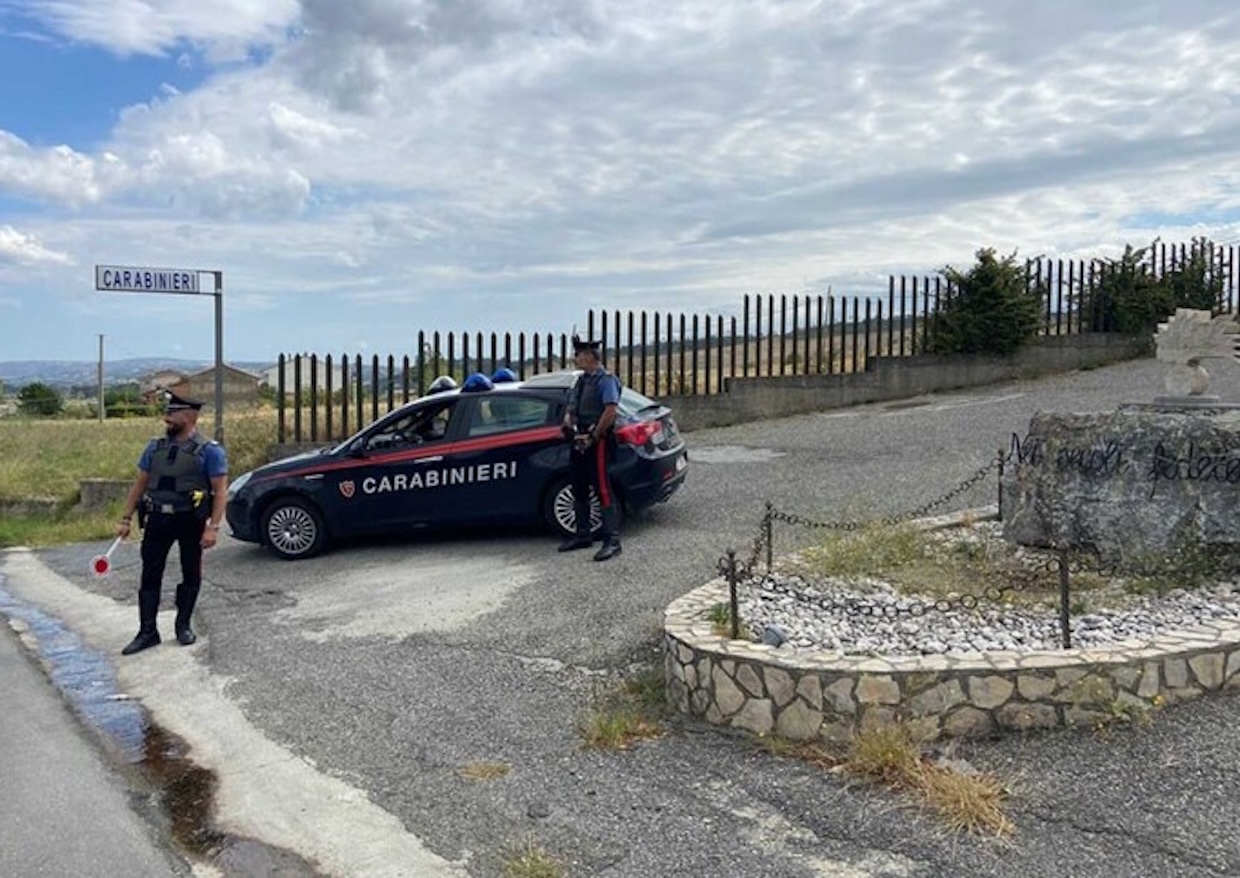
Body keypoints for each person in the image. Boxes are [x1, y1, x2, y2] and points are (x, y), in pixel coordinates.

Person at [115, 391, 228, 654]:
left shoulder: (209, 451)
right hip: (157, 518)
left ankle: (183, 625)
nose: (166, 418)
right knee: (150, 574)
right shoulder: (154, 448)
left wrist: (213, 527)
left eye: (172, 414)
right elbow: (140, 484)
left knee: (191, 571)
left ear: (188, 416)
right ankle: (147, 632)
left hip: (190, 519)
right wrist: (125, 518)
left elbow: (220, 491)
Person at [559, 335, 623, 562]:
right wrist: (568, 420)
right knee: (578, 485)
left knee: (602, 488)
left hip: (598, 440)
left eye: (578, 354)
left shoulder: (605, 380)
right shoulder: (582, 380)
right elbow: (572, 405)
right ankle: (583, 534)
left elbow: (610, 410)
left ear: (588, 356)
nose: (575, 358)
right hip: (579, 438)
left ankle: (612, 541)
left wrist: (594, 435)